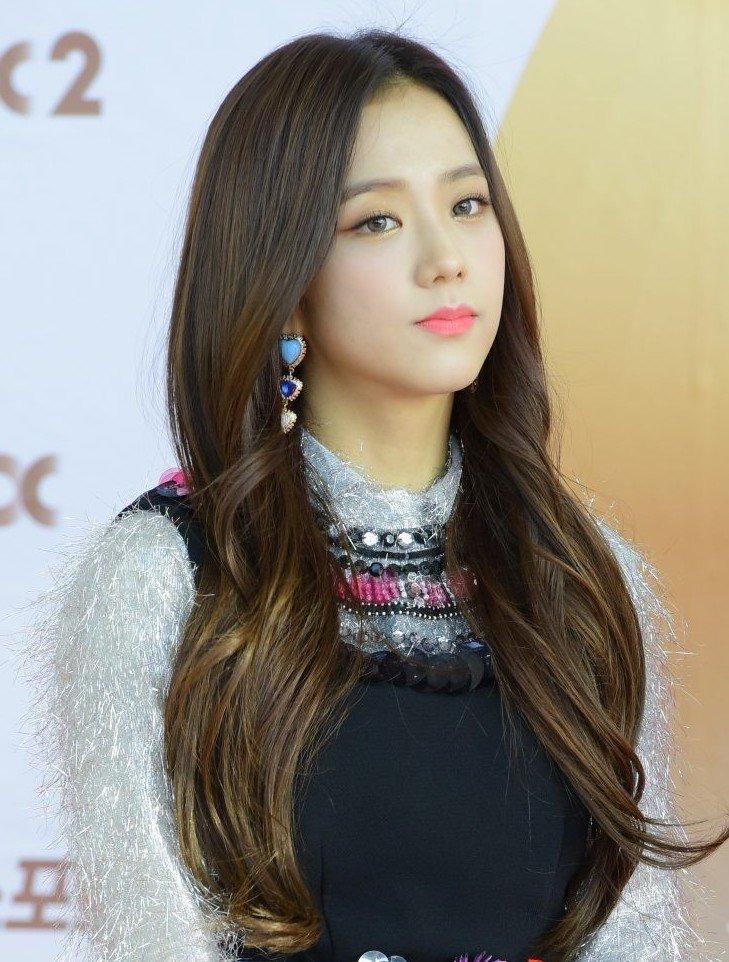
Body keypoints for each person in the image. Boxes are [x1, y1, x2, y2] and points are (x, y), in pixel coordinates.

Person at [24, 26, 728, 962]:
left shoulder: (582, 577)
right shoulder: (165, 577)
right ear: (280, 279)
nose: (445, 258)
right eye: (376, 222)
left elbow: (627, 927)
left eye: (467, 205)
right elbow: (154, 933)